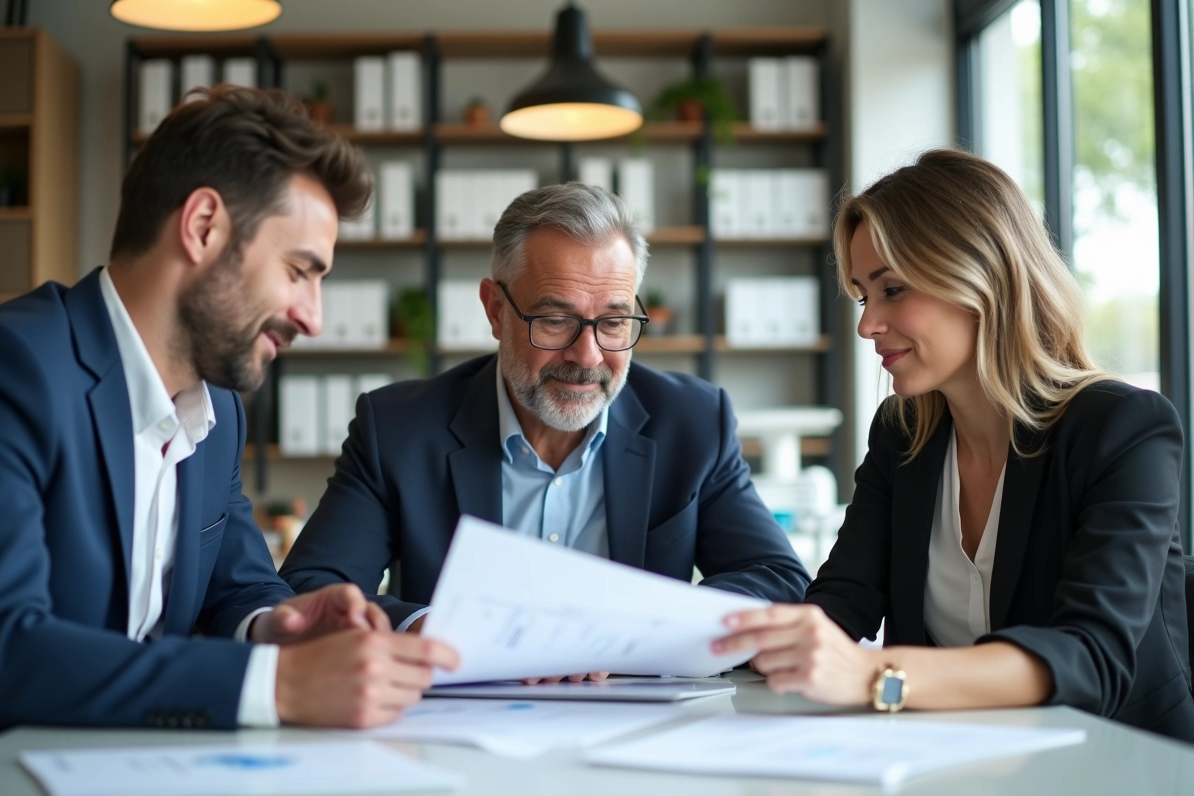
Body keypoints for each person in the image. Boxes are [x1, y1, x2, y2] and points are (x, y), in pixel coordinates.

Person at [0, 85, 456, 736]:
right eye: (298, 271)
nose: (312, 318)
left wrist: (281, 628)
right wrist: (276, 685)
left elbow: (239, 587)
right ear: (203, 227)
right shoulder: (10, 368)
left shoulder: (218, 411)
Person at [713, 149, 1194, 742]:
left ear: (980, 278)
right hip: (945, 761)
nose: (867, 325)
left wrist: (874, 676)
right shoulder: (902, 433)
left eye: (892, 289)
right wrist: (675, 639)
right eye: (865, 295)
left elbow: (1090, 658)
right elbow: (842, 601)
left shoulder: (1123, 428)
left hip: (1117, 763)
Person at [281, 182, 810, 680]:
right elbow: (310, 588)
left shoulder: (692, 421)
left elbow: (778, 579)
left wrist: (641, 624)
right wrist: (426, 629)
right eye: (555, 320)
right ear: (494, 310)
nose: (588, 356)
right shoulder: (398, 429)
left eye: (613, 321)